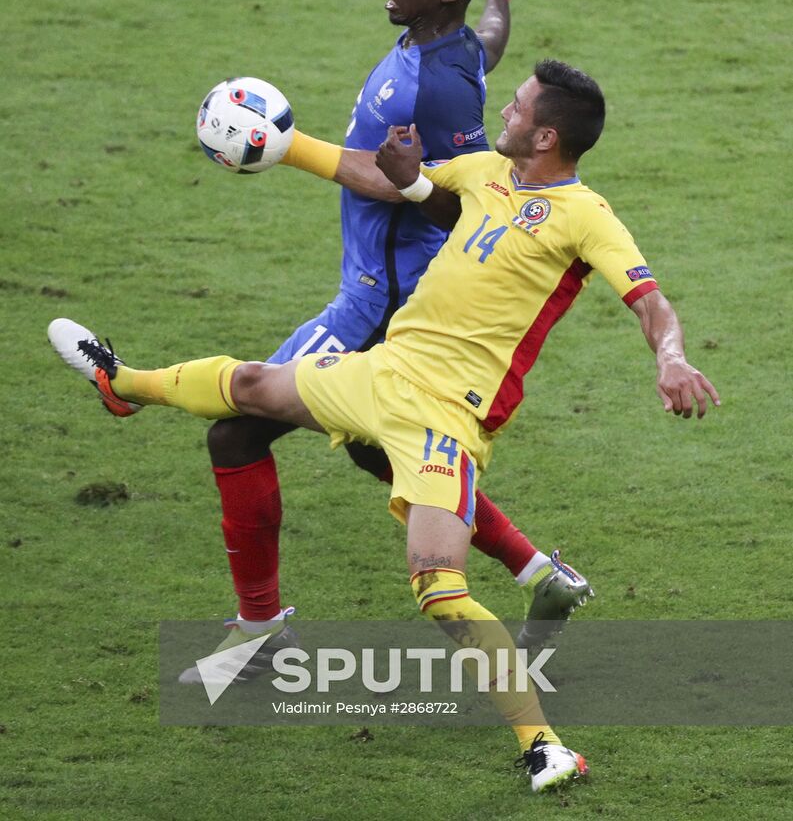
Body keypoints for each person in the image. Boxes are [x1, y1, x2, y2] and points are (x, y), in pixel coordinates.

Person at [49, 58, 720, 792]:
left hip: (445, 414)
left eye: (518, 108)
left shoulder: (586, 215)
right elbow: (397, 180)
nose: (504, 112)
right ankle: (122, 384)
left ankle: (544, 746)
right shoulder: (483, 171)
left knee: (437, 586)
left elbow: (649, 299)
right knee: (247, 387)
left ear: (546, 135)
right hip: (381, 373)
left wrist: (672, 358)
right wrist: (304, 147)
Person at [193, 0, 593, 663]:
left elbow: (453, 203)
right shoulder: (446, 49)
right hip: (386, 290)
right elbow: (490, 39)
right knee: (378, 451)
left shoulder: (432, 82)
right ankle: (541, 570)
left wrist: (289, 150)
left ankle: (257, 631)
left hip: (381, 304)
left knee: (237, 427)